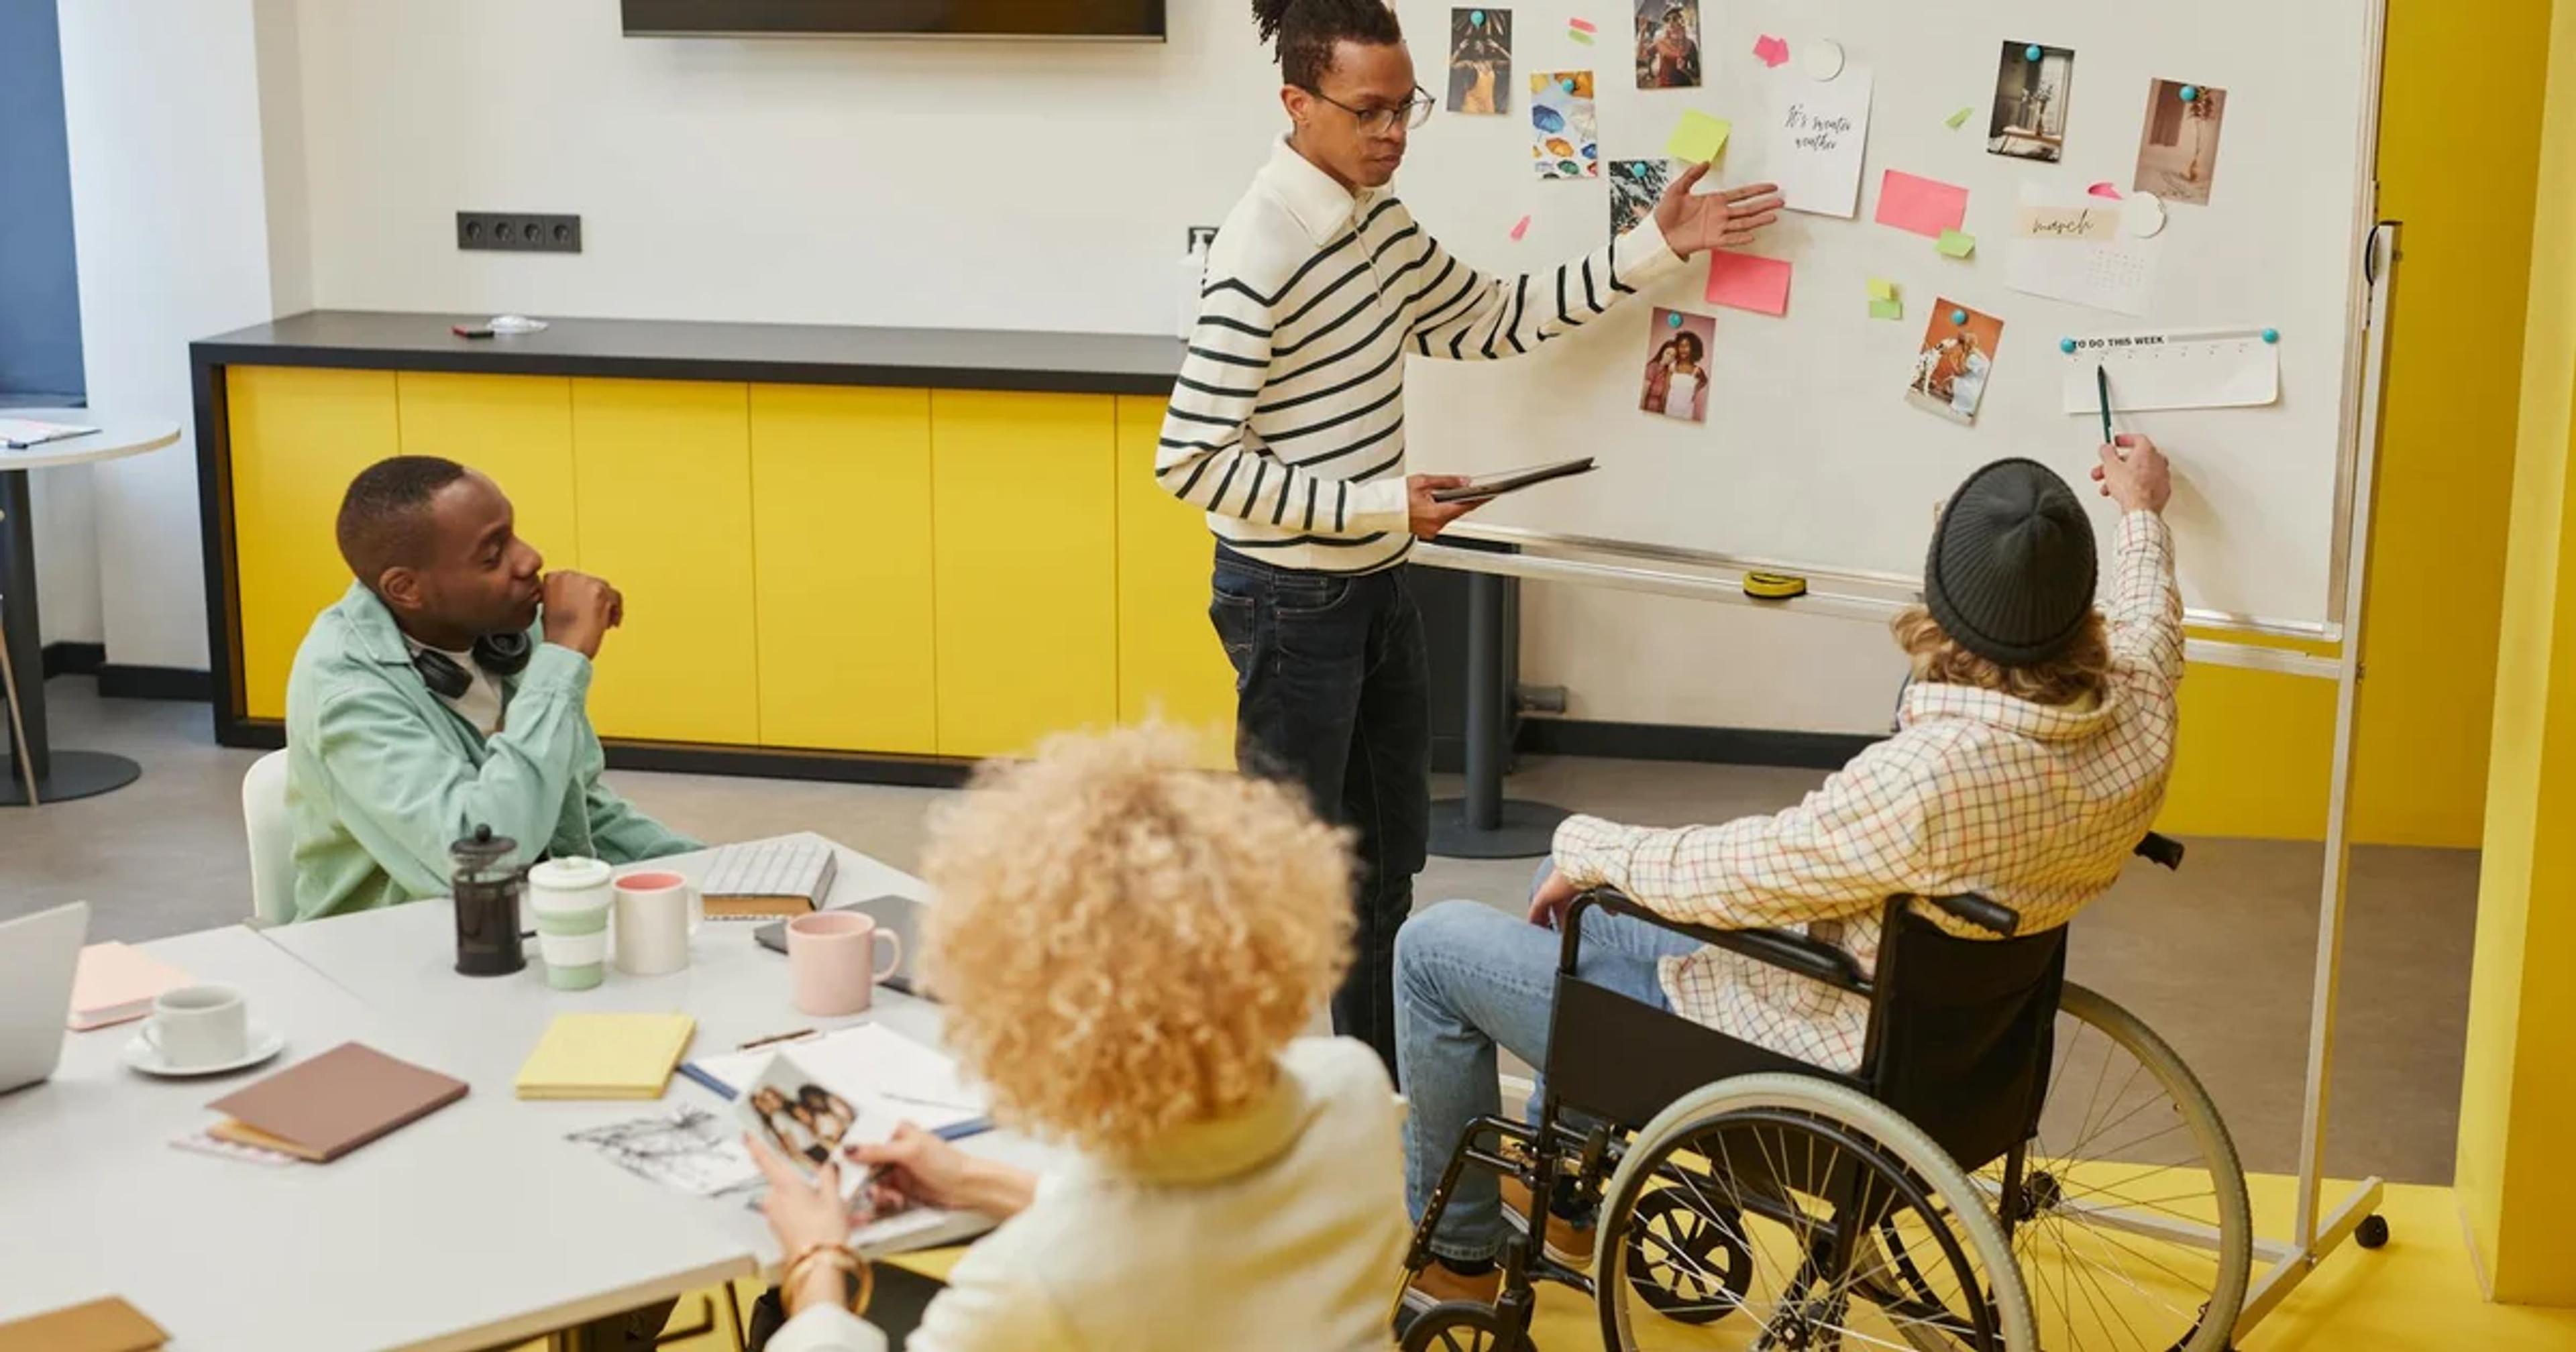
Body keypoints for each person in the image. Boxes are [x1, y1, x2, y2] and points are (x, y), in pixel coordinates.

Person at [1390, 439, 2186, 1311]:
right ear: (2076, 611)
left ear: (1944, 601)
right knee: (1574, 880)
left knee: (1434, 947)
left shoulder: (1927, 778)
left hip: (1804, 1055)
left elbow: (1739, 876)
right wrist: (2142, 515)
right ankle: (1569, 1196)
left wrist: (1590, 842)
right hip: (1956, 1057)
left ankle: (1460, 1255)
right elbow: (2148, 624)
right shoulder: (2135, 720)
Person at [1161, 0, 1782, 1081]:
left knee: (1387, 865)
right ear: (1297, 102)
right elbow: (1191, 461)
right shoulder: (1262, 247)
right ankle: (1220, 1113)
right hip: (1288, 600)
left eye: (1407, 108)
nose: (1393, 133)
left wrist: (1654, 246)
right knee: (1276, 885)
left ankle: (1384, 1099)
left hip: (1373, 585)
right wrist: (1379, 504)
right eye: (1369, 111)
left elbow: (1489, 318)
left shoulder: (1377, 219)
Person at [747, 726, 1408, 1351]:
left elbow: (1121, 1243)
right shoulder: (1353, 1092)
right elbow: (1186, 1231)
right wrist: (974, 1180)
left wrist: (817, 1259)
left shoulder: (1030, 1284)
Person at [282, 456, 697, 924]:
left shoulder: (505, 633)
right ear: (406, 589)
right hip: (390, 946)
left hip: (522, 924)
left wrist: (715, 871)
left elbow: (577, 811)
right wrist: (562, 663)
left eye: (514, 534)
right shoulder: (346, 691)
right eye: (492, 556)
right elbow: (479, 864)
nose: (530, 559)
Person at [1640, 331, 1709, 422]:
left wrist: (1695, 390)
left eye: (1687, 346)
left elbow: (1704, 381)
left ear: (1693, 348)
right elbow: (1665, 391)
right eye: (1681, 346)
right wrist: (1662, 409)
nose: (1683, 349)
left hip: (1686, 412)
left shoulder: (1697, 370)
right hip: (1669, 409)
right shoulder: (1672, 367)